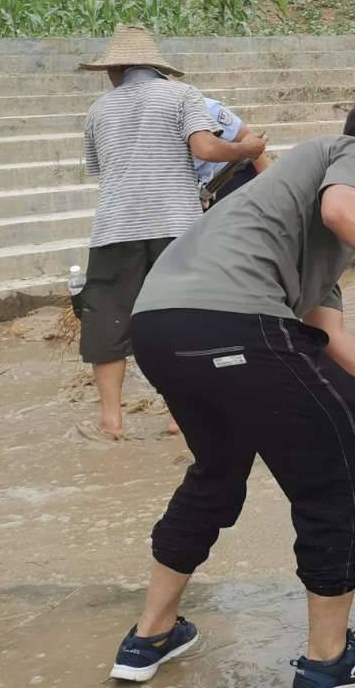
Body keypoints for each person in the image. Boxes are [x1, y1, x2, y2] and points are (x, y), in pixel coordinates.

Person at [109, 101, 355, 688]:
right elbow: (345, 208)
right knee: (341, 478)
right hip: (238, 323)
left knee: (215, 474)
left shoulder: (289, 231)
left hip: (160, 331)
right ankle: (329, 661)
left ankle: (151, 636)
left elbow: (331, 339)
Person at [76, 25, 266, 440]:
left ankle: (111, 423)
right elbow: (206, 149)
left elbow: (101, 170)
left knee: (108, 323)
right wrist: (247, 151)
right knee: (184, 317)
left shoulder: (98, 109)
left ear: (117, 69)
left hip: (114, 228)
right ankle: (179, 417)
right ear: (156, 67)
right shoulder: (183, 95)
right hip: (176, 226)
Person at [193, 97, 272, 208]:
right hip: (199, 188)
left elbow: (248, 138)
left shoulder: (208, 109)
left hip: (231, 174)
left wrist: (269, 187)